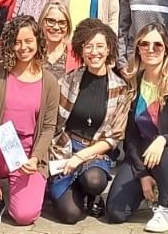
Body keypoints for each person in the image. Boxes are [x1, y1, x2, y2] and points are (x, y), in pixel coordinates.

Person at [0, 15, 63, 227]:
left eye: (28, 41)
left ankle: (28, 188)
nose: (23, 47)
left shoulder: (49, 82)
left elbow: (49, 127)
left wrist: (36, 158)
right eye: (17, 42)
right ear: (10, 44)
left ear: (38, 42)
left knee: (24, 217)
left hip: (28, 155)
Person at [105, 23, 168, 231]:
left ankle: (166, 207)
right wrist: (142, 174)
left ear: (166, 49)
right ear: (137, 49)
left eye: (157, 45)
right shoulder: (132, 82)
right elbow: (130, 138)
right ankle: (148, 189)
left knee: (164, 154)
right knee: (116, 213)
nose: (151, 49)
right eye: (144, 44)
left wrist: (162, 140)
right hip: (140, 157)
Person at [46, 18, 130, 224]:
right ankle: (72, 189)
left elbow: (114, 137)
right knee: (71, 215)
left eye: (100, 46)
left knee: (94, 181)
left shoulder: (120, 88)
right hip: (64, 146)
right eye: (88, 46)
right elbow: (54, 123)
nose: (95, 52)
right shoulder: (68, 80)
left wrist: (81, 156)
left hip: (95, 150)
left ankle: (90, 192)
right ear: (80, 50)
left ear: (109, 48)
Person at [38, 0, 79, 78]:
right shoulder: (33, 52)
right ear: (42, 22)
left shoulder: (77, 54)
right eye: (51, 21)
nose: (56, 27)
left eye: (62, 22)